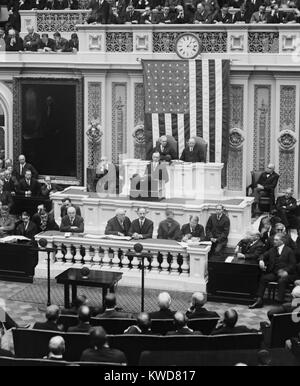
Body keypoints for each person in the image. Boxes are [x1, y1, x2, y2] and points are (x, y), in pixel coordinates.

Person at [249, 233, 297, 309]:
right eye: (274, 239)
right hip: (275, 273)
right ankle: (259, 300)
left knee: (282, 280)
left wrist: (286, 271)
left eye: (276, 240)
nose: (274, 241)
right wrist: (261, 260)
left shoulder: (289, 251)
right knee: (263, 278)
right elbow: (262, 255)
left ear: (282, 241)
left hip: (286, 274)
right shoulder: (272, 250)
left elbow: (293, 264)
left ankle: (279, 303)